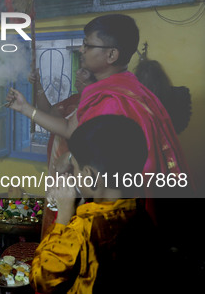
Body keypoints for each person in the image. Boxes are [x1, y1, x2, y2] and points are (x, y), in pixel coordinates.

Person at [7, 14, 189, 192]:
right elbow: (69, 127)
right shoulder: (119, 88)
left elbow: (101, 158)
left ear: (111, 54)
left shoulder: (112, 100)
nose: (81, 50)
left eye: (87, 44)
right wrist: (24, 107)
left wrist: (69, 159)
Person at [30, 115, 161, 294]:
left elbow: (42, 280)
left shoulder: (81, 228)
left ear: (90, 176)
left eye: (75, 168)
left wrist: (63, 217)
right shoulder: (140, 213)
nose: (73, 174)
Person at [29, 67, 96, 239]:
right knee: (54, 206)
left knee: (70, 215)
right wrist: (38, 86)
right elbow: (48, 112)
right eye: (79, 69)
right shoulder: (74, 99)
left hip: (76, 170)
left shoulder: (97, 104)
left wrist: (24, 108)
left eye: (84, 71)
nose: (78, 72)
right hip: (58, 164)